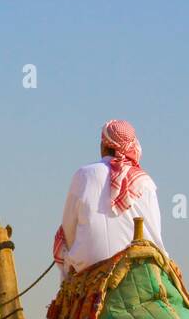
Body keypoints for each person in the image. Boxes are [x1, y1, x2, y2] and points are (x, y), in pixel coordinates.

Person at [53, 119, 166, 279]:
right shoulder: (146, 181)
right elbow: (155, 233)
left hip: (91, 270)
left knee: (66, 290)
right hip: (147, 268)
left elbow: (68, 230)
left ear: (103, 146)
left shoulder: (84, 175)